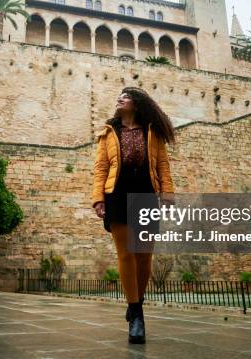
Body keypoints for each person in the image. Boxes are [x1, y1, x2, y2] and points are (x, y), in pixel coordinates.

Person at [91, 87, 176, 344]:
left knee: (144, 255)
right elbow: (101, 167)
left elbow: (162, 164)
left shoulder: (152, 132)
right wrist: (97, 198)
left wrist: (168, 193)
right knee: (126, 253)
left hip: (145, 191)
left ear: (136, 104)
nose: (120, 98)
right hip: (117, 192)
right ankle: (137, 315)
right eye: (119, 96)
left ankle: (135, 302)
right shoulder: (108, 133)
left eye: (125, 96)